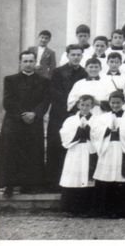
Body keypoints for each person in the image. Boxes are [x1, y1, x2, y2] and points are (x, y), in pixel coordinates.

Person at [0, 51, 51, 197]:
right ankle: (9, 185)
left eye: (31, 61)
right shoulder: (10, 80)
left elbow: (45, 101)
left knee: (32, 152)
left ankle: (28, 184)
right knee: (11, 152)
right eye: (25, 61)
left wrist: (35, 114)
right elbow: (8, 101)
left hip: (34, 121)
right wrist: (22, 114)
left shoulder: (44, 81)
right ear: (20, 63)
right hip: (14, 121)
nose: (28, 64)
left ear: (35, 62)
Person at [90, 90, 125, 218]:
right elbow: (95, 132)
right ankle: (104, 210)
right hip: (107, 148)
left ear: (123, 102)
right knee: (106, 177)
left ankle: (121, 210)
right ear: (109, 103)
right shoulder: (103, 117)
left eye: (118, 103)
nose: (115, 105)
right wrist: (107, 130)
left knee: (121, 178)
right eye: (112, 103)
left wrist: (120, 130)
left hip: (122, 148)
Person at [46, 44, 88, 188]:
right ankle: (52, 182)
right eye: (73, 54)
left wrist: (76, 109)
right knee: (56, 144)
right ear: (68, 55)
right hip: (59, 113)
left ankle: (71, 182)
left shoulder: (85, 73)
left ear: (82, 56)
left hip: (77, 114)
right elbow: (53, 91)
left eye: (78, 55)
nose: (76, 57)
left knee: (74, 146)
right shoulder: (58, 72)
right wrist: (69, 105)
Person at [58, 94, 96, 216]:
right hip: (75, 150)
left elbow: (99, 134)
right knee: (73, 178)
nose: (85, 108)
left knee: (87, 177)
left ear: (92, 106)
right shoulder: (70, 120)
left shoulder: (97, 120)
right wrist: (78, 132)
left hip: (89, 150)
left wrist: (89, 132)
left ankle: (86, 209)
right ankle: (69, 208)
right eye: (82, 105)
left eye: (88, 105)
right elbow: (64, 134)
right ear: (78, 105)